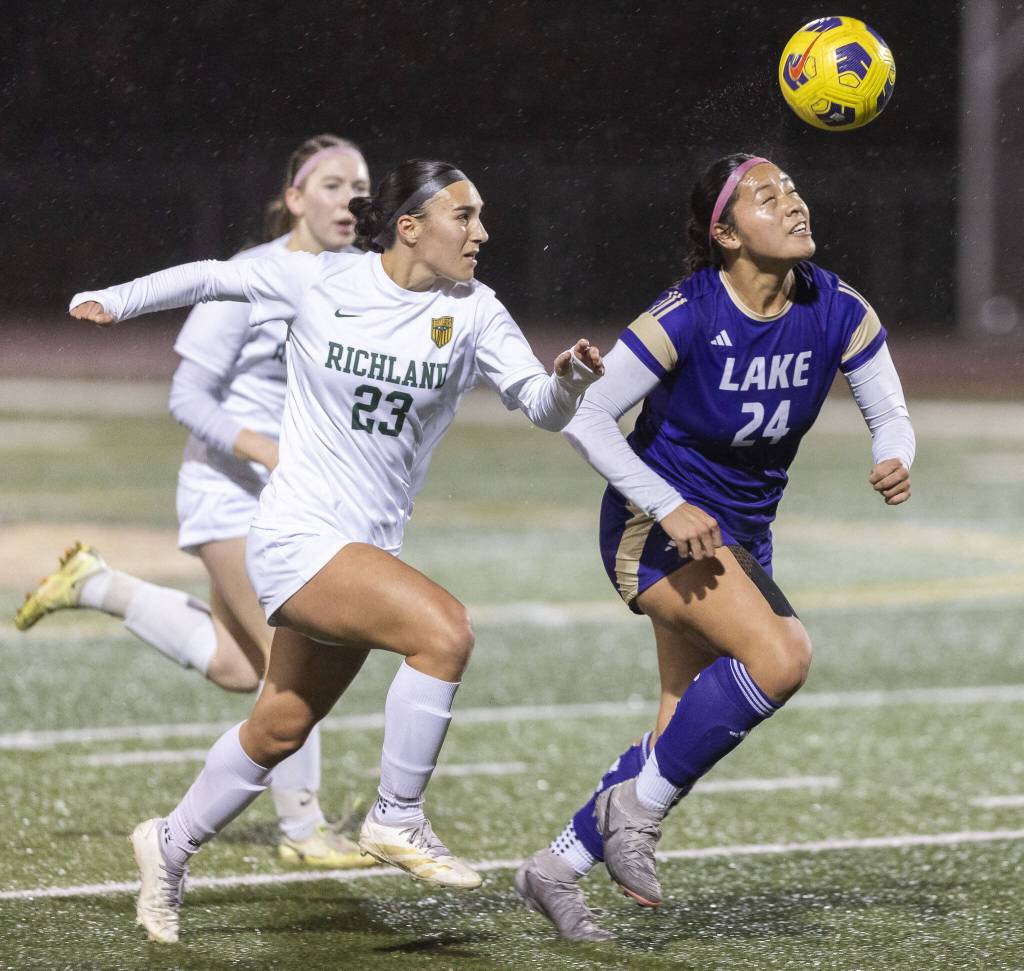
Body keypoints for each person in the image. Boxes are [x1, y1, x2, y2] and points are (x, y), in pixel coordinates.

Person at [68, 157, 605, 944]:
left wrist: (570, 382)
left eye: (482, 215)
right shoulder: (322, 281)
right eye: (465, 216)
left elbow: (542, 407)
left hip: (362, 546)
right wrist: (114, 299)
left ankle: (169, 843)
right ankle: (397, 816)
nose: (482, 231)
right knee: (444, 630)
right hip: (294, 536)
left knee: (279, 725)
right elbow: (214, 276)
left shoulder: (477, 311)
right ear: (412, 227)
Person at [515, 154, 916, 942]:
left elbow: (890, 408)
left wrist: (895, 451)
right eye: (769, 198)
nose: (794, 205)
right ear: (726, 233)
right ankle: (634, 809)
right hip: (657, 529)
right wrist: (667, 505)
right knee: (782, 655)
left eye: (795, 190)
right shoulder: (689, 313)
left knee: (681, 726)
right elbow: (585, 417)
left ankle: (554, 866)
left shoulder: (837, 306)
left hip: (740, 540)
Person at [15, 134, 376, 870]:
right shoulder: (253, 275)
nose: (351, 201)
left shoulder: (364, 279)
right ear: (296, 196)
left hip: (296, 504)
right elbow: (188, 396)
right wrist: (269, 451)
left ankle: (98, 583)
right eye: (334, 185)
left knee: (240, 669)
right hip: (230, 496)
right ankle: (303, 831)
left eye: (362, 188)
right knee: (295, 663)